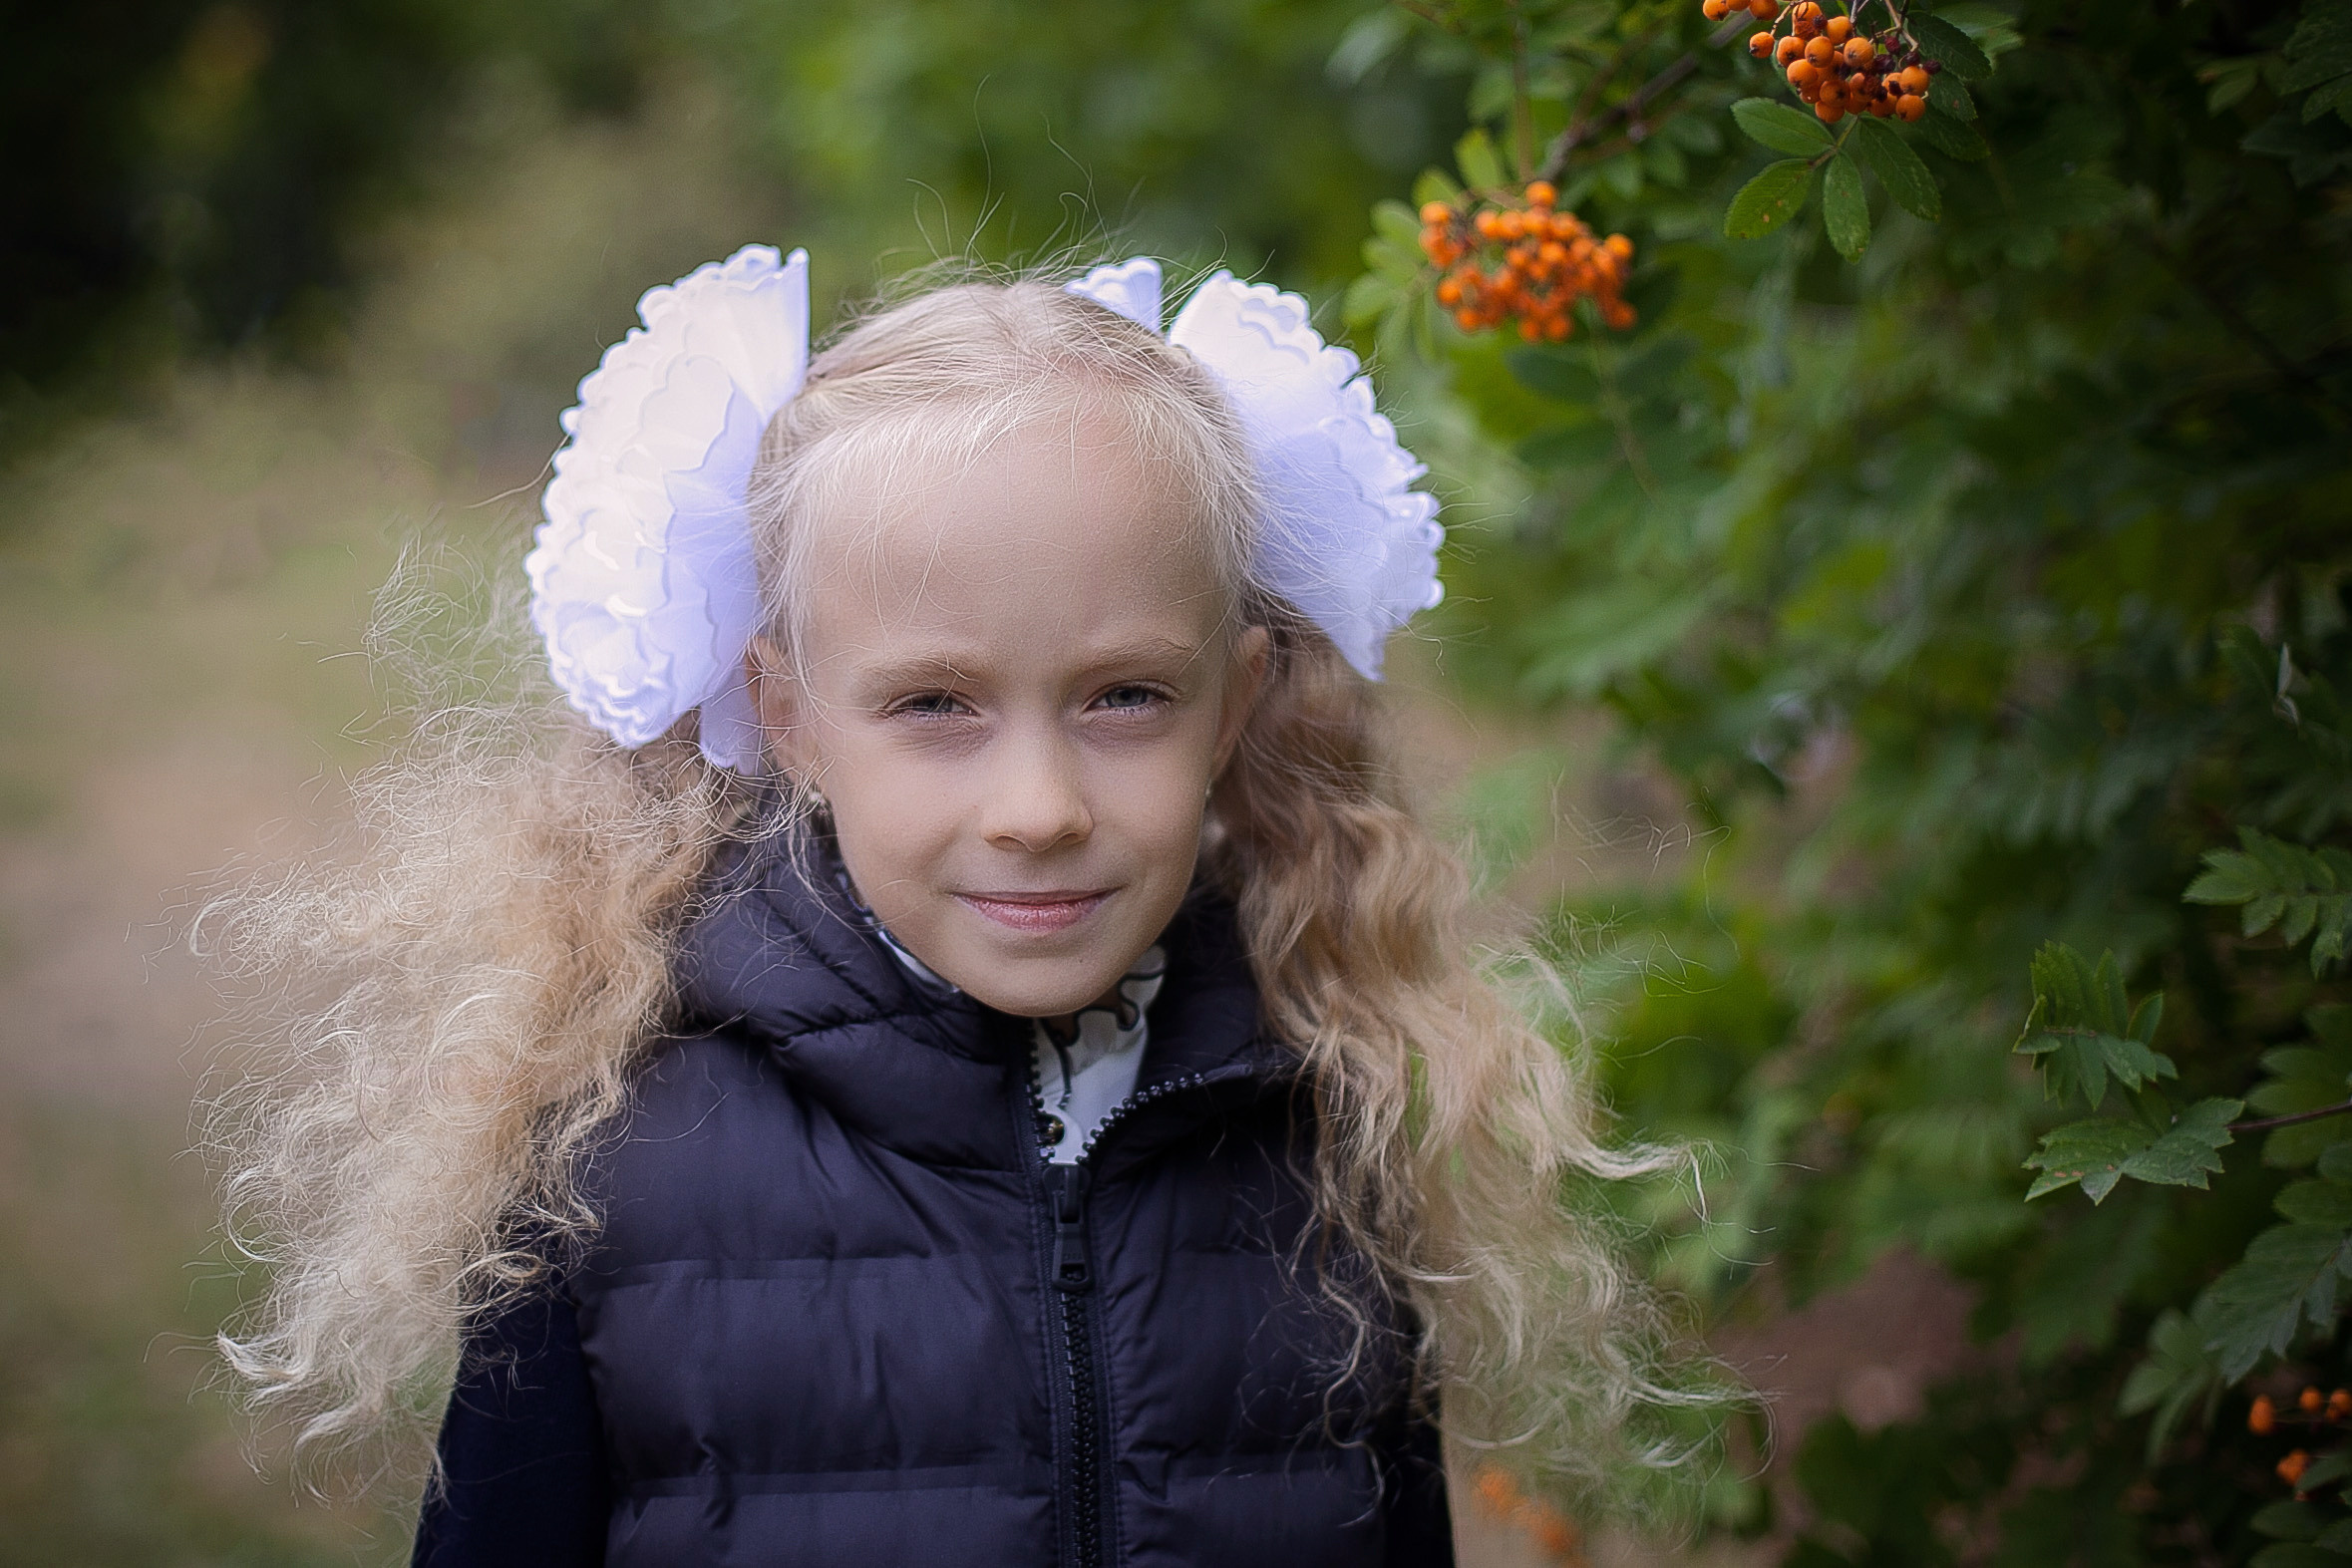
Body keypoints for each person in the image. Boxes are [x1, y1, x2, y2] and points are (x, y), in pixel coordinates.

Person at [211, 247, 1679, 1567]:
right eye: (935, 702)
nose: (1038, 804)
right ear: (788, 715)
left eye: (1123, 695)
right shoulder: (605, 1160)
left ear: (1232, 704)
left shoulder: (1331, 1112)